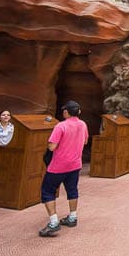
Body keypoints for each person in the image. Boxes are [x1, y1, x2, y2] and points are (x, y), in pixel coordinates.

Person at [38, 100, 89, 237]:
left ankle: (53, 223)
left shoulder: (61, 126)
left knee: (47, 191)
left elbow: (52, 147)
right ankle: (72, 217)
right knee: (72, 190)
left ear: (66, 112)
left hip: (58, 166)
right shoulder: (83, 124)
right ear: (78, 112)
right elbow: (85, 141)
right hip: (75, 164)